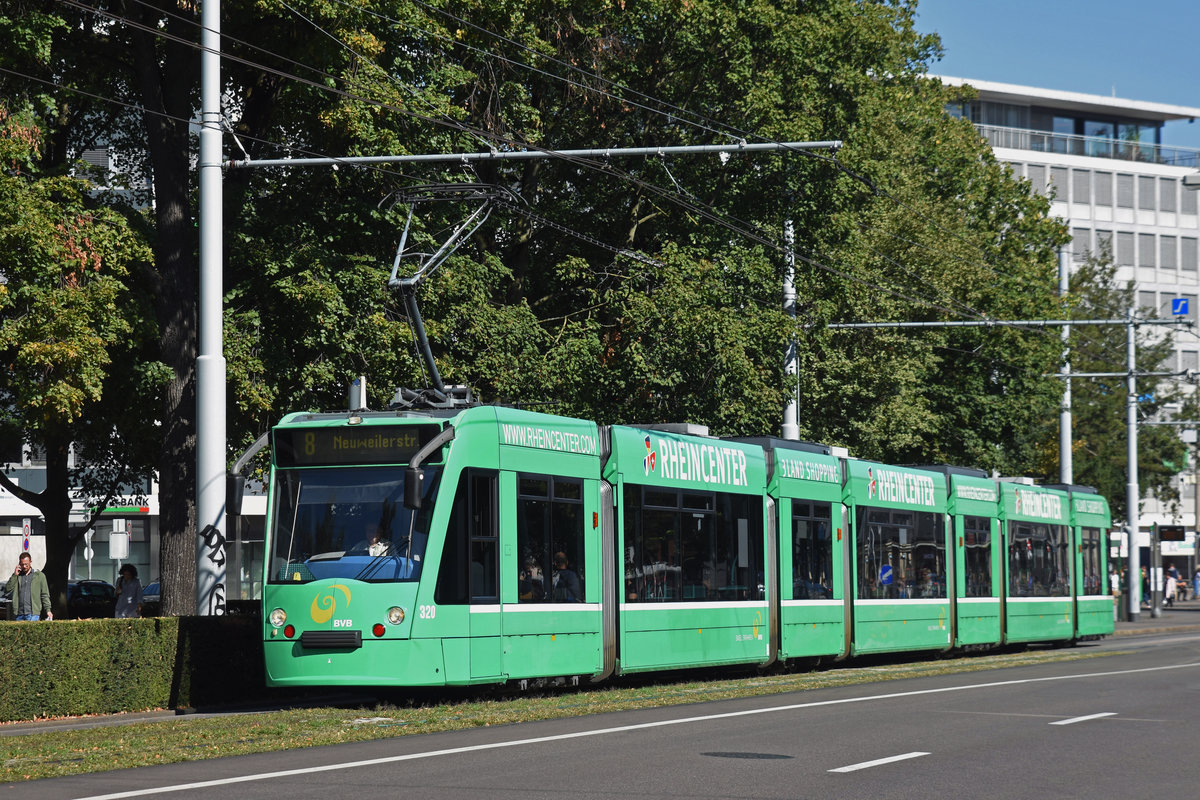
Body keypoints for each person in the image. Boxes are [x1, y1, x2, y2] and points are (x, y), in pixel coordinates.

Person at [6, 553, 52, 621]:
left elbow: (45, 595)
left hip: (33, 614)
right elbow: (7, 589)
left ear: (30, 562)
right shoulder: (17, 576)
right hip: (19, 614)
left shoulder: (39, 576)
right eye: (22, 564)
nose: (24, 566)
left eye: (26, 564)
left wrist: (48, 610)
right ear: (19, 563)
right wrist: (14, 575)